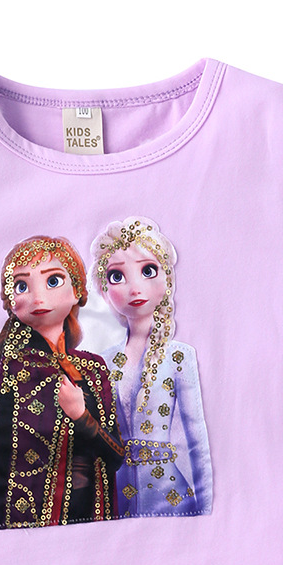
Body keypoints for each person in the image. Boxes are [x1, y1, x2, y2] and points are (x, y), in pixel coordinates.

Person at [0, 235, 125, 533]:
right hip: (31, 523)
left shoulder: (93, 368)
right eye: (21, 285)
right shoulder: (15, 366)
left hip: (94, 518)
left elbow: (116, 455)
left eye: (53, 281)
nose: (38, 297)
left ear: (77, 291)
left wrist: (81, 416)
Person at [90, 216, 213, 518]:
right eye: (117, 276)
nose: (135, 288)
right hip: (116, 500)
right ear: (104, 290)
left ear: (167, 279)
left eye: (148, 271)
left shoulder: (178, 357)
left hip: (170, 498)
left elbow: (196, 440)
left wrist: (206, 511)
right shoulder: (102, 361)